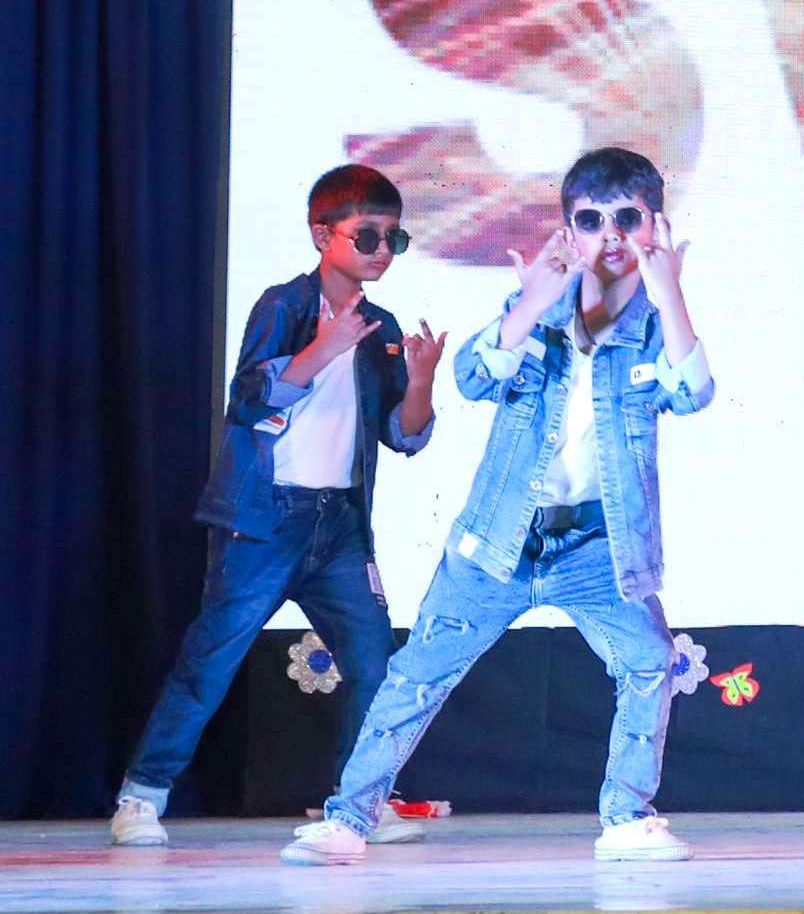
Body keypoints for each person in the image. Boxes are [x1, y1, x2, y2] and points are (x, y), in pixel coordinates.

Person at [285, 148, 716, 866]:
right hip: (499, 543)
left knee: (647, 662)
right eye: (591, 220)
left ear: (655, 226)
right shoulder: (539, 309)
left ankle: (626, 818)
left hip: (597, 549)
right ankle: (349, 821)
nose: (610, 235)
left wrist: (669, 294)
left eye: (627, 218)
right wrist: (530, 305)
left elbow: (692, 393)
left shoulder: (652, 324)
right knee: (418, 674)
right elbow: (474, 377)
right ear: (568, 231)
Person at [113, 165, 447, 848]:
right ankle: (141, 796)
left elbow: (403, 434)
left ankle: (358, 802)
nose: (382, 250)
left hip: (340, 526)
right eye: (367, 236)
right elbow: (251, 398)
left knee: (376, 664)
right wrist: (324, 347)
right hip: (265, 521)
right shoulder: (283, 306)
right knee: (211, 660)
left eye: (394, 238)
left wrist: (420, 382)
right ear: (323, 235)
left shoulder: (381, 326)